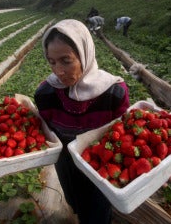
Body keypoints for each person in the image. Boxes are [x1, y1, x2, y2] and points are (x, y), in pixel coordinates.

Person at [34, 19, 130, 224]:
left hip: (102, 165)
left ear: (85, 53)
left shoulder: (114, 92)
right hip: (65, 163)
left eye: (66, 61)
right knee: (75, 202)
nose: (58, 71)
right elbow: (46, 132)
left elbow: (129, 135)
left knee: (99, 210)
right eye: (51, 61)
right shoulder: (45, 93)